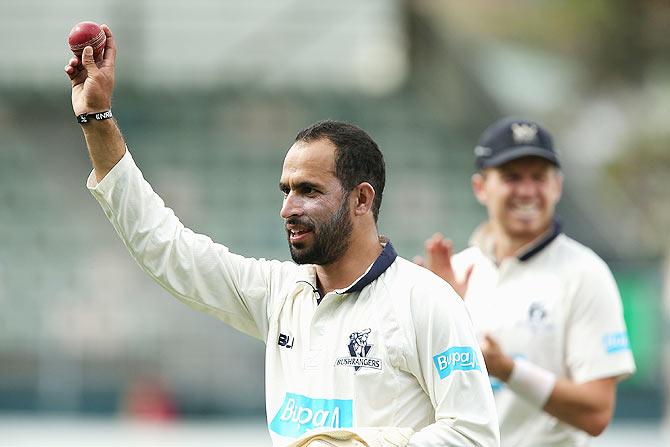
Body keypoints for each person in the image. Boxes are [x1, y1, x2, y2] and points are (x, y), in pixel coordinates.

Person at [64, 25, 500, 447]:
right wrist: (96, 118)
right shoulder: (280, 294)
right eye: (286, 190)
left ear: (362, 200)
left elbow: (474, 435)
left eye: (309, 191)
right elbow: (163, 246)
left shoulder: (426, 301)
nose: (289, 208)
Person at [417, 117, 636, 446]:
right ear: (480, 187)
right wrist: (435, 322)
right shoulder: (458, 270)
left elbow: (596, 413)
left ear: (557, 186)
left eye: (539, 177)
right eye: (511, 177)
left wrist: (508, 371)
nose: (527, 191)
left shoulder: (585, 273)